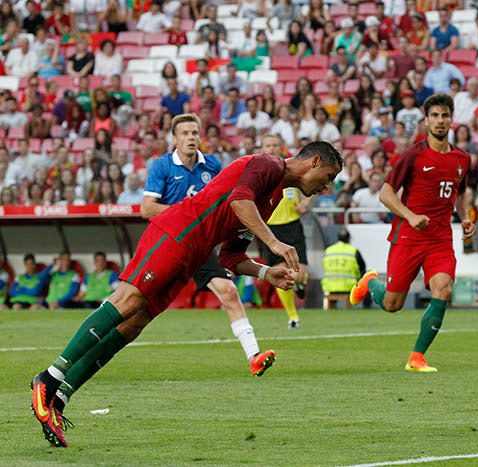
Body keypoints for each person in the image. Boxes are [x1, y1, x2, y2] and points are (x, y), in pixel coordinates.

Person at [30, 139, 342, 448]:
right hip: (177, 232)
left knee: (133, 324)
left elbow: (231, 256)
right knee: (128, 300)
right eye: (328, 177)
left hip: (194, 253)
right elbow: (239, 200)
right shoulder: (268, 164)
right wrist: (273, 243)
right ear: (314, 162)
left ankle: (60, 398)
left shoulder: (273, 199)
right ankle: (49, 377)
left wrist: (265, 272)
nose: (327, 187)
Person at [349, 94, 475, 372]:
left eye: (445, 115)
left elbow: (460, 192)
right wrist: (410, 215)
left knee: (443, 289)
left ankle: (417, 357)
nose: (440, 121)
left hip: (440, 239)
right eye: (435, 116)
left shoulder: (462, 159)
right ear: (426, 120)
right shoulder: (413, 155)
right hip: (408, 236)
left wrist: (465, 217)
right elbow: (386, 193)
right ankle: (371, 282)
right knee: (392, 304)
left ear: (451, 119)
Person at [140, 113, 276, 372]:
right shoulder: (162, 166)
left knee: (229, 291)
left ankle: (254, 356)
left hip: (199, 244)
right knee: (135, 302)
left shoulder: (212, 165)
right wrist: (187, 212)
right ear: (174, 138)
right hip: (168, 242)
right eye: (185, 133)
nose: (191, 137)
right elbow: (147, 209)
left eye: (194, 133)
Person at [258, 134, 310, 329]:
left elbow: (312, 185)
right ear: (262, 149)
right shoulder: (258, 173)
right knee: (283, 274)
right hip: (270, 229)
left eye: (274, 145)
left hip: (293, 226)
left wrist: (304, 203)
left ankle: (301, 284)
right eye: (268, 145)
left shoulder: (291, 170)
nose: (271, 148)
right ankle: (293, 316)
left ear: (280, 148)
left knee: (300, 274)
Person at [321, 228, 366, 296]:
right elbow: (362, 267)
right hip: (349, 286)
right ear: (349, 239)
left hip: (329, 286)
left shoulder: (328, 250)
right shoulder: (353, 251)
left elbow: (324, 266)